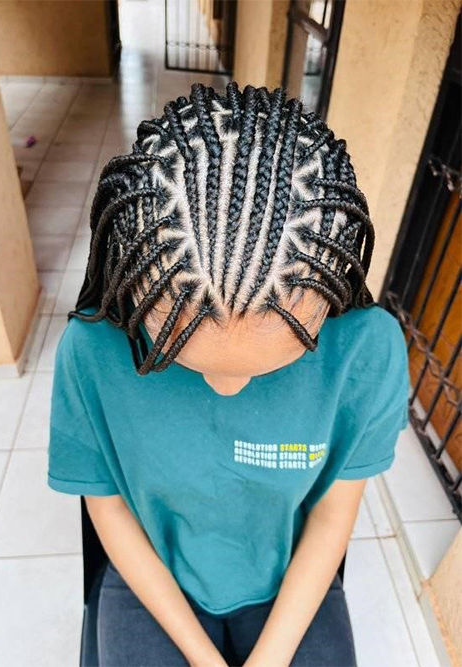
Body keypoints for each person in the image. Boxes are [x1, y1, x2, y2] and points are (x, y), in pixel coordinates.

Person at [47, 81, 410, 667]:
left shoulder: (367, 353)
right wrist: (203, 656)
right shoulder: (91, 351)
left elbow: (332, 516)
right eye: (180, 353)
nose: (227, 389)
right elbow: (107, 508)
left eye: (274, 362)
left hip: (287, 576)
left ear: (326, 303)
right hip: (149, 577)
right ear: (137, 288)